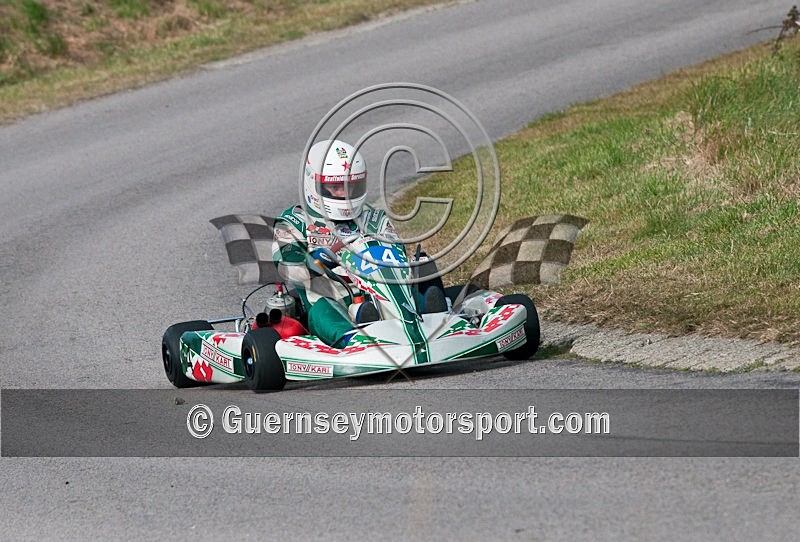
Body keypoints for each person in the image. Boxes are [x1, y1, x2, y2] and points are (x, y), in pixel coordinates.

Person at [272, 139, 445, 348]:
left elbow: (395, 251)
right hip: (335, 296)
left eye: (350, 186)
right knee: (323, 308)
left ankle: (435, 316)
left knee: (419, 275)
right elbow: (288, 269)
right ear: (314, 184)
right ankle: (352, 338)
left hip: (382, 288)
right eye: (335, 187)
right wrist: (315, 261)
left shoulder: (373, 216)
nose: (343, 194)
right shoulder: (293, 222)